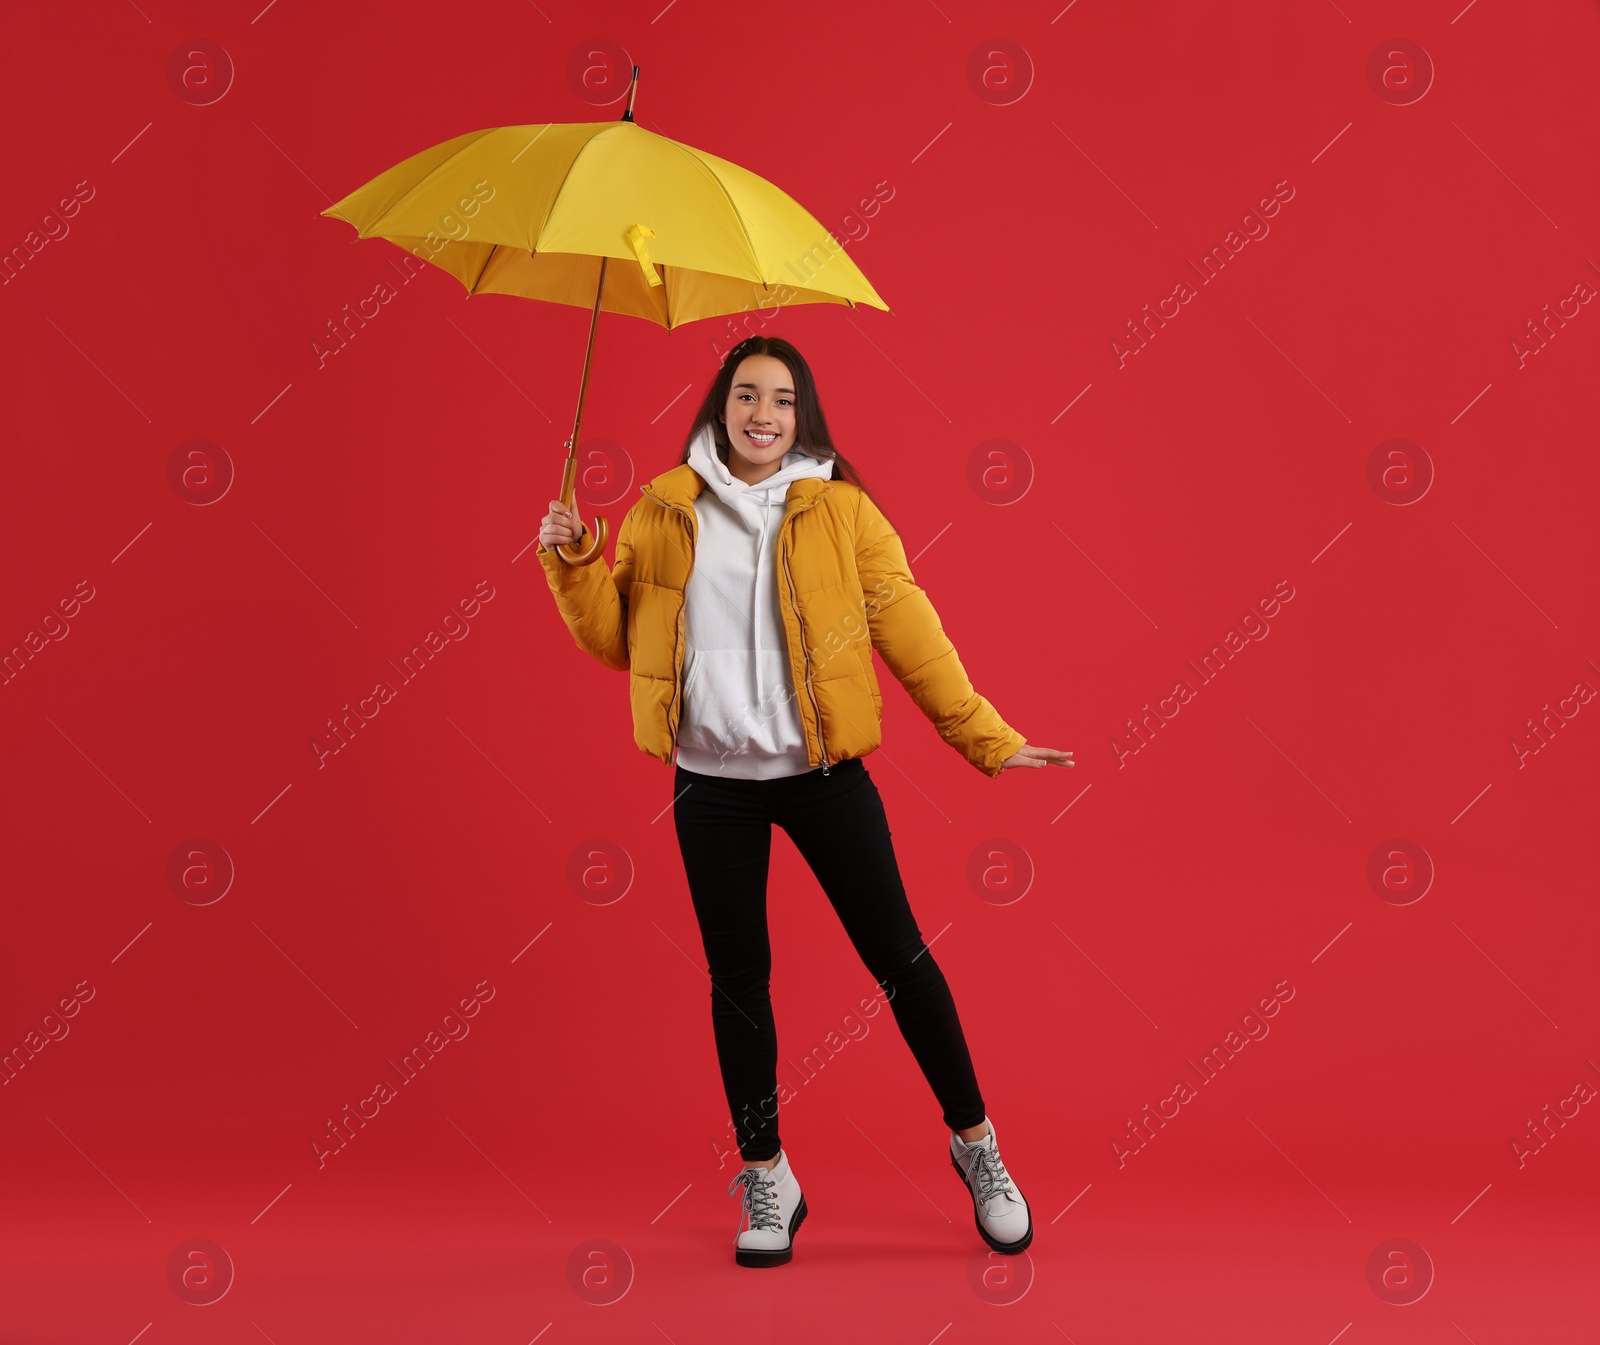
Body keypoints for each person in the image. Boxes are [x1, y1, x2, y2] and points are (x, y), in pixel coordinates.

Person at [536, 335, 1073, 1269]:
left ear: (802, 417)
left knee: (901, 960)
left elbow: (909, 628)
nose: (762, 415)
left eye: (781, 401)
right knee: (738, 987)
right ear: (718, 407)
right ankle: (768, 1173)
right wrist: (576, 561)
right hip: (710, 789)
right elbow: (619, 642)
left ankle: (978, 1147)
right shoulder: (661, 512)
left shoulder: (843, 515)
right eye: (746, 396)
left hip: (824, 778)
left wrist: (984, 734)